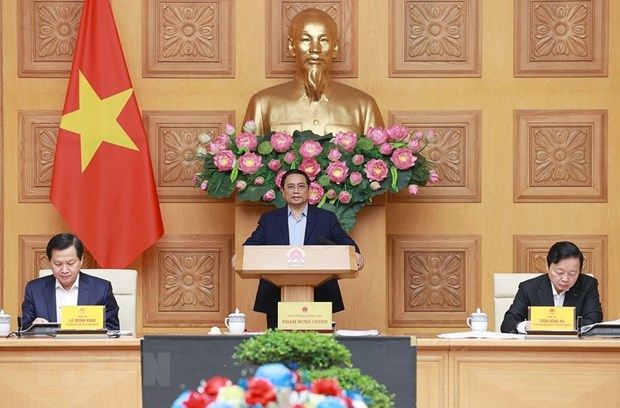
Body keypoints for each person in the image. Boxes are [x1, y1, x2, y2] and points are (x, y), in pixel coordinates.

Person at [242, 169, 364, 329]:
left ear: (309, 189)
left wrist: (355, 254)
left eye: (301, 186)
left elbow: (345, 242)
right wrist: (239, 256)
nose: (296, 191)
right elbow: (251, 247)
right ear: (282, 191)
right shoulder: (269, 220)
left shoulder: (326, 218)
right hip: (275, 296)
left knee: (316, 344)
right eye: (290, 187)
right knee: (278, 344)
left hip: (320, 293)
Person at [244, 8, 383, 136]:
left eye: (323, 40)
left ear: (335, 48)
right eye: (306, 39)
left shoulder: (364, 107)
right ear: (291, 46)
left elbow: (378, 154)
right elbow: (247, 152)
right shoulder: (262, 104)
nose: (315, 49)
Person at [21, 233, 120, 330]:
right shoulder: (34, 290)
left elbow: (113, 329)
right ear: (49, 262)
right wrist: (34, 327)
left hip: (87, 341)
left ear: (81, 260)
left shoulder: (101, 289)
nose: (64, 270)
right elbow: (24, 329)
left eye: (70, 263)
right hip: (48, 341)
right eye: (58, 264)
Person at [501, 241, 603, 334]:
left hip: (573, 346)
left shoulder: (588, 285)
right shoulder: (529, 288)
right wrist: (526, 326)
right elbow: (508, 323)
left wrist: (553, 324)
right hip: (539, 345)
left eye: (572, 273)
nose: (565, 279)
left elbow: (594, 321)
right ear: (547, 266)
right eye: (559, 272)